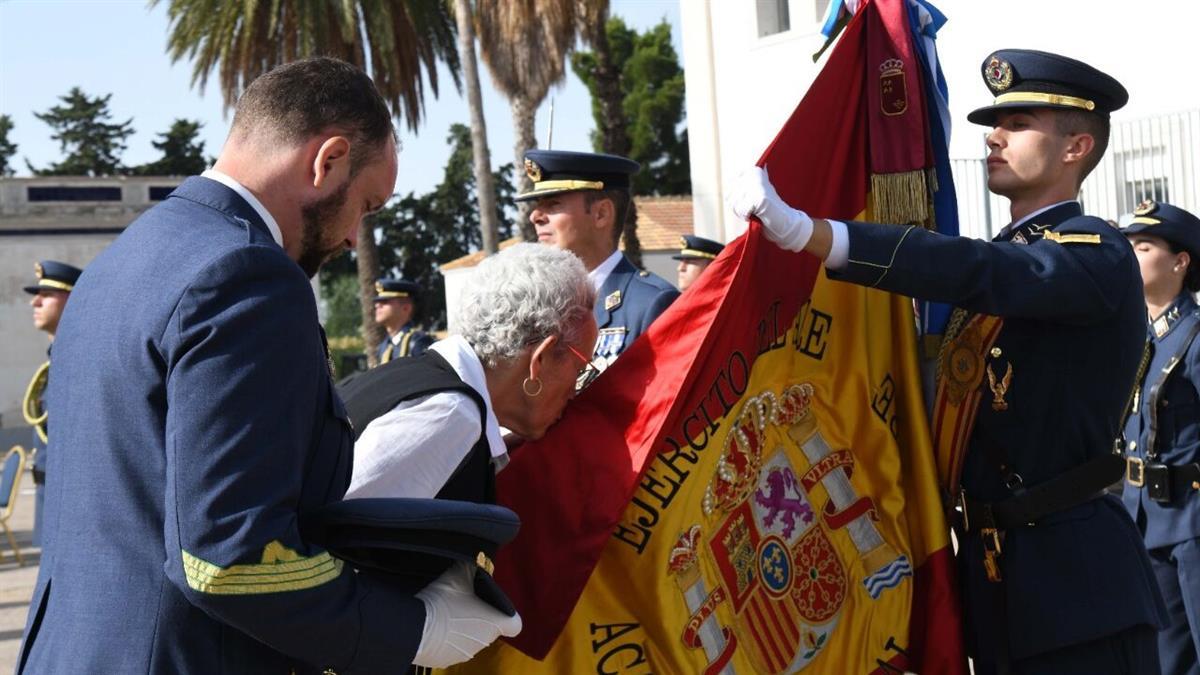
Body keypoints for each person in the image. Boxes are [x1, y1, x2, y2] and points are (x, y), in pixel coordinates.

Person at [18, 57, 516, 673]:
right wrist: (415, 630)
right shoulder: (248, 276)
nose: (355, 238)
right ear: (326, 160)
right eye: (366, 204)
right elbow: (229, 557)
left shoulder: (124, 259)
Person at [730, 49, 1167, 674]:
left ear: (1076, 147)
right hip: (994, 585)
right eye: (996, 123)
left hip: (1079, 590)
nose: (994, 136)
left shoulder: (1097, 254)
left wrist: (817, 235)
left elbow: (979, 271)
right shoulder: (1003, 262)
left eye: (1018, 122)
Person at [341, 243, 597, 502]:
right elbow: (329, 527)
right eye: (579, 368)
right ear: (540, 358)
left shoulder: (427, 387)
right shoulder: (451, 415)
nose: (575, 392)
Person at [1121, 200, 1200, 675]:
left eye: (1143, 245)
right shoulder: (1142, 338)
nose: (1131, 254)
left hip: (1192, 523)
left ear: (1180, 261)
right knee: (1168, 660)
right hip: (1147, 519)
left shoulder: (1194, 336)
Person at [519, 149, 678, 369]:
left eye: (553, 204)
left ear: (601, 214)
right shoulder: (538, 305)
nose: (535, 216)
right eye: (537, 206)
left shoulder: (653, 304)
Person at [21, 260, 82, 549]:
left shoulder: (77, 360)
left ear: (72, 298)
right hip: (51, 492)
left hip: (68, 500)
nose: (36, 301)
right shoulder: (57, 359)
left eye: (47, 294)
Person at [373, 277, 433, 364]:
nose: (377, 305)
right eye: (377, 302)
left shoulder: (418, 342)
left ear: (406, 308)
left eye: (385, 302)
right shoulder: (383, 347)